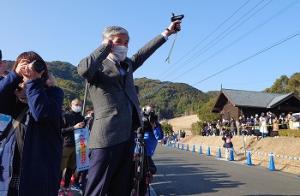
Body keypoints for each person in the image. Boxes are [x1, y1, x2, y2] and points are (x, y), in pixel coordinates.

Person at [77, 19, 181, 196]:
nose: (124, 46)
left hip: (128, 135)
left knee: (122, 186)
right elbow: (83, 70)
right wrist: (104, 47)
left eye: (126, 43)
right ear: (107, 42)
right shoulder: (97, 67)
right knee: (98, 187)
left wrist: (167, 33)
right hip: (106, 137)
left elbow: (143, 53)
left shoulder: (127, 65)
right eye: (119, 42)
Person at [0, 51, 64, 195]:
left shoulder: (53, 92)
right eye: (24, 64)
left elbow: (41, 113)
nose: (29, 68)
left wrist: (34, 82)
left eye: (34, 64)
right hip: (11, 168)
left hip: (39, 171)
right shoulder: (12, 94)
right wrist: (15, 76)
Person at [60, 98, 85, 190]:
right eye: (76, 105)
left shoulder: (82, 118)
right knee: (61, 168)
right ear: (71, 105)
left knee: (71, 168)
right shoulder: (65, 116)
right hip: (66, 145)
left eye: (80, 105)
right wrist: (74, 127)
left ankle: (66, 186)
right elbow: (61, 130)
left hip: (77, 146)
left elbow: (83, 132)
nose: (78, 107)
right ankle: (56, 186)